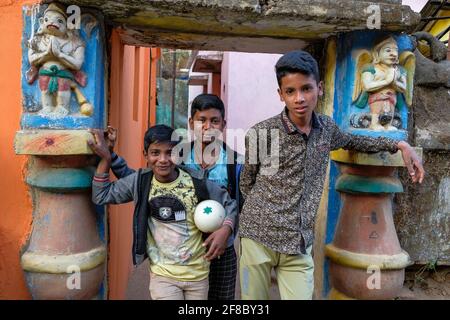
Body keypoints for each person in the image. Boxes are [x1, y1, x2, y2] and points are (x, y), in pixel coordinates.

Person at [238, 50, 425, 300]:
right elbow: (246, 182)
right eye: (291, 91)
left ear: (320, 88)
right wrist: (267, 211)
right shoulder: (262, 133)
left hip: (299, 243)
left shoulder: (326, 129)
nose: (300, 98)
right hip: (258, 238)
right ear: (280, 94)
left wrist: (399, 145)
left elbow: (353, 140)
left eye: (306, 88)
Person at [106, 94, 243, 300]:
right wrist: (111, 157)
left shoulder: (236, 164)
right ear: (191, 123)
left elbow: (238, 205)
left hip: (222, 247)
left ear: (224, 124)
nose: (207, 126)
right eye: (201, 120)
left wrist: (227, 229)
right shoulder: (175, 155)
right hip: (183, 254)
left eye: (214, 121)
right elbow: (143, 182)